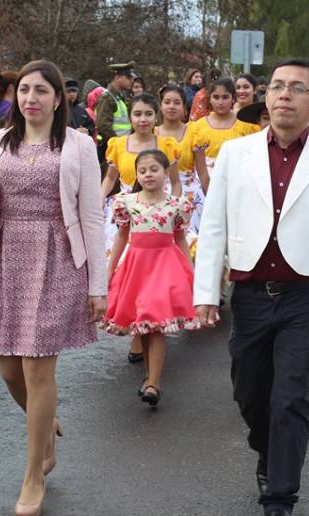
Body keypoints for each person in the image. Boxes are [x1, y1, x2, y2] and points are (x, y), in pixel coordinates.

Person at [193, 58, 309, 516]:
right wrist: (206, 292)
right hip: (249, 294)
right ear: (265, 99)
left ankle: (280, 499)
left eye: (295, 88)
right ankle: (269, 452)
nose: (283, 95)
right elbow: (214, 228)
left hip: (304, 297)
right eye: (276, 87)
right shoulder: (236, 154)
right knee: (250, 393)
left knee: (291, 397)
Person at [0, 59, 106, 516]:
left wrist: (98, 285)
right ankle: (45, 421)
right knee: (8, 371)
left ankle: (33, 476)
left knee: (39, 370)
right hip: (8, 260)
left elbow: (92, 217)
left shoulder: (78, 145)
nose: (31, 98)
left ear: (58, 98)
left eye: (41, 91)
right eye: (24, 90)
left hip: (59, 257)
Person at [102, 150, 199, 405]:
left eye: (154, 169)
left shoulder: (177, 204)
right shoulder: (126, 202)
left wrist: (191, 272)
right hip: (136, 266)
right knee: (143, 324)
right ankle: (149, 377)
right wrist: (111, 268)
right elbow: (122, 235)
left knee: (154, 322)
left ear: (166, 173)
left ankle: (154, 382)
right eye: (142, 171)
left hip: (165, 265)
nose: (148, 175)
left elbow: (179, 238)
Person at [100, 93, 182, 363]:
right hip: (126, 213)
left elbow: (175, 181)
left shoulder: (167, 145)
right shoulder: (118, 144)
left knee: (150, 278)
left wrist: (176, 206)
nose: (143, 119)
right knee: (128, 276)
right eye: (138, 114)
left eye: (148, 114)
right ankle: (137, 329)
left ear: (155, 116)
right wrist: (98, 203)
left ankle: (144, 331)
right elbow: (110, 178)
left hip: (158, 213)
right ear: (131, 117)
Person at [156, 84, 205, 238]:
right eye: (167, 102)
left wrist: (212, 199)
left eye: (177, 103)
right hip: (155, 191)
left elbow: (203, 173)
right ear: (161, 106)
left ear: (184, 107)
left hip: (189, 193)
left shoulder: (194, 133)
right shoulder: (151, 132)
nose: (172, 107)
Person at [94, 61, 134, 145]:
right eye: (128, 77)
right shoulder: (107, 98)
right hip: (112, 146)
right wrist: (117, 142)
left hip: (122, 145)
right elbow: (103, 125)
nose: (131, 80)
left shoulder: (120, 97)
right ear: (117, 77)